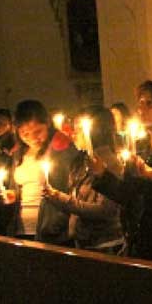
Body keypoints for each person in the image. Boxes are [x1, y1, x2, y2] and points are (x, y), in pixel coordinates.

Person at [92, 80, 152, 262]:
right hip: (139, 239)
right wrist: (102, 176)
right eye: (140, 104)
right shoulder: (140, 148)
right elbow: (128, 194)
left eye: (150, 104)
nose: (141, 110)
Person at [43, 107, 124, 254]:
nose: (73, 133)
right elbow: (76, 200)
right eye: (74, 128)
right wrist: (55, 198)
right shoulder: (81, 161)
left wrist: (62, 199)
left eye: (79, 129)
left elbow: (105, 210)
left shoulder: (109, 163)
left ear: (96, 131)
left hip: (104, 246)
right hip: (82, 242)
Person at [3, 100, 78, 242]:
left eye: (38, 132)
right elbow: (16, 186)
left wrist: (59, 222)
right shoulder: (18, 153)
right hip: (21, 227)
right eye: (25, 134)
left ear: (47, 124)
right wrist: (12, 194)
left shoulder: (60, 149)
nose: (32, 138)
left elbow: (70, 188)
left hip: (51, 228)